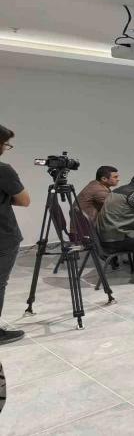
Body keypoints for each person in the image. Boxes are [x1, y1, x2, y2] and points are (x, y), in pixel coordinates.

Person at [0, 124, 29, 344]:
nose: (5, 148)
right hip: (3, 236)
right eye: (5, 144)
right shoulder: (3, 170)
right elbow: (24, 200)